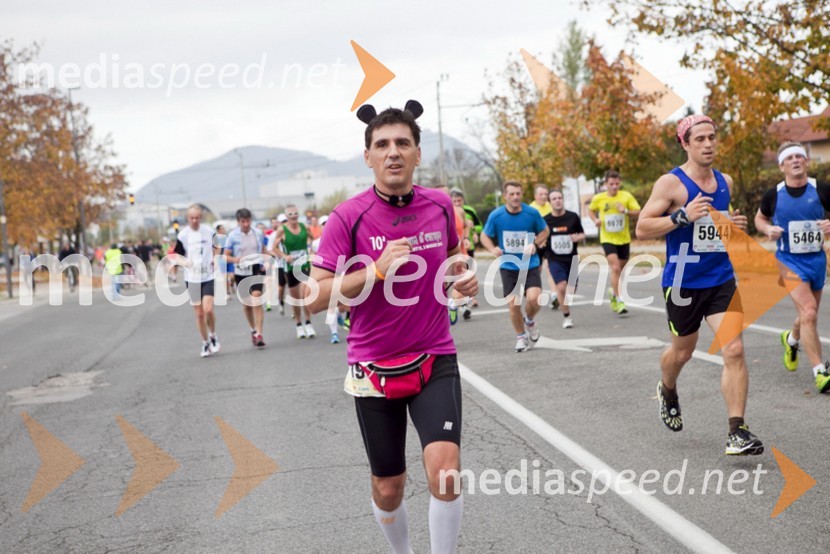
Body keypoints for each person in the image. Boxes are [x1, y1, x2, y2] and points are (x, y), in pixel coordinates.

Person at [307, 100, 478, 554]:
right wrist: (375, 271)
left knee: (445, 470)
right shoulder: (348, 217)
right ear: (368, 157)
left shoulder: (441, 205)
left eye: (403, 142)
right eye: (382, 144)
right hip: (373, 366)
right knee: (388, 488)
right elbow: (315, 295)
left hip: (434, 355)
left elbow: (453, 257)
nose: (393, 152)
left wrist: (462, 276)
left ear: (418, 153)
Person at [636, 114, 763, 455]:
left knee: (734, 349)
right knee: (683, 351)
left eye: (712, 137)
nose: (708, 144)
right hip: (683, 281)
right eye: (700, 139)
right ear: (685, 144)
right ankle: (667, 387)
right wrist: (681, 216)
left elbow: (719, 226)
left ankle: (737, 432)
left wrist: (733, 225)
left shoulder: (726, 182)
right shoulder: (671, 184)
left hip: (720, 277)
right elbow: (643, 228)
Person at [754, 141, 830, 393]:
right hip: (788, 261)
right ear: (781, 165)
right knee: (808, 312)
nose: (796, 160)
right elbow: (760, 217)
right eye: (790, 158)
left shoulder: (821, 189)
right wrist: (767, 229)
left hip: (817, 260)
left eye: (800, 156)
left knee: (808, 315)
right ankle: (820, 372)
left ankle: (791, 338)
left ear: (806, 161)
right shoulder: (773, 195)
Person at [480, 180, 549, 352]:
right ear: (505, 196)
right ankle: (521, 337)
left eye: (518, 193)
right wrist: (492, 248)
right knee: (514, 304)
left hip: (529, 264)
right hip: (508, 265)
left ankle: (530, 320)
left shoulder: (532, 213)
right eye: (511, 194)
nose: (515, 197)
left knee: (534, 298)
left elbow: (545, 230)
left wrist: (536, 243)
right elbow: (484, 236)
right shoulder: (496, 216)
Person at [589, 170, 641, 315]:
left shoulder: (626, 196)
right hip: (607, 238)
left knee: (621, 271)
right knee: (616, 267)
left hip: (623, 239)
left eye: (617, 184)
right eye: (611, 184)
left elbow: (638, 211)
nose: (614, 186)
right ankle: (619, 300)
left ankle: (613, 291)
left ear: (620, 183)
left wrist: (625, 211)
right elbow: (590, 210)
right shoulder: (599, 198)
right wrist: (595, 220)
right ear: (605, 184)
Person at [173, 204, 221, 358]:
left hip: (208, 276)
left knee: (208, 310)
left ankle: (213, 335)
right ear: (188, 218)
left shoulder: (208, 231)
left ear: (201, 218)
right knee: (199, 314)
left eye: (197, 218)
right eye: (192, 218)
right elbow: (177, 256)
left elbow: (218, 246)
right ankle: (205, 342)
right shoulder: (183, 235)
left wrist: (215, 258)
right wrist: (186, 263)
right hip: (192, 278)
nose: (195, 220)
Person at [270, 204, 316, 338]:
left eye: (295, 213)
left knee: (305, 294)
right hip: (290, 267)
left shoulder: (305, 227)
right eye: (290, 214)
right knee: (296, 298)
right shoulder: (282, 230)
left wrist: (311, 250)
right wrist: (285, 256)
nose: (293, 216)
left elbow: (312, 239)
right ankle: (298, 324)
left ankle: (308, 322)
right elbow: (274, 248)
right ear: (286, 217)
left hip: (304, 265)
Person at [224, 208, 267, 347]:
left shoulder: (258, 233)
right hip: (240, 270)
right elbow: (226, 255)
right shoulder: (232, 236)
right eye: (243, 221)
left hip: (255, 267)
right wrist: (236, 260)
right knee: (247, 304)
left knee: (256, 298)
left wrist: (269, 258)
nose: (246, 224)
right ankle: (252, 329)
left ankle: (259, 334)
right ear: (238, 222)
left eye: (248, 221)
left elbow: (263, 250)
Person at [545, 189, 585, 329]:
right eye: (554, 198)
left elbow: (582, 234)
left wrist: (577, 237)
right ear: (549, 202)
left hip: (572, 259)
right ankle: (566, 316)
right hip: (555, 259)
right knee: (561, 286)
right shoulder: (546, 220)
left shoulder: (573, 217)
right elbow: (541, 237)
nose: (557, 200)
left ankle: (565, 304)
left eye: (559, 198)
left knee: (571, 290)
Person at [310, 214, 348, 344]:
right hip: (328, 276)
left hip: (343, 273)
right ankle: (334, 333)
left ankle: (338, 316)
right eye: (323, 224)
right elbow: (313, 258)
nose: (326, 226)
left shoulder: (342, 238)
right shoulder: (315, 243)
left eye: (328, 223)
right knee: (332, 304)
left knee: (343, 307)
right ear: (320, 227)